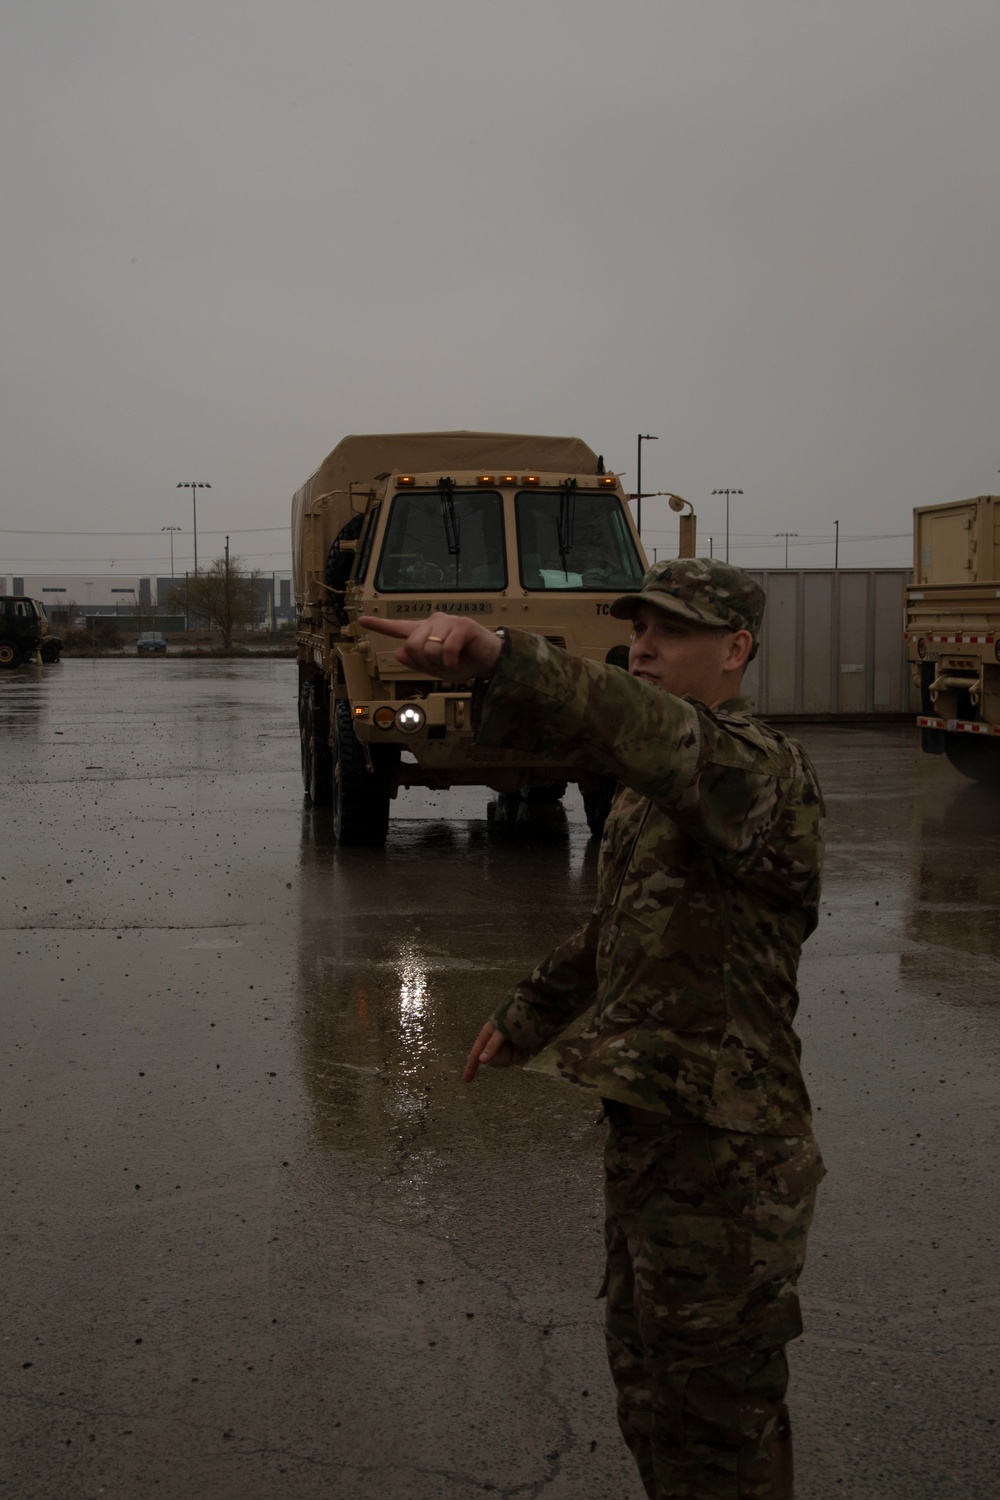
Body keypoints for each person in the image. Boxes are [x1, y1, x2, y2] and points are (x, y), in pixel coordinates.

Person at [359, 557, 825, 1500]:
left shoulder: (752, 772)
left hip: (726, 1154)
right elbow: (623, 921)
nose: (643, 645)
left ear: (736, 650)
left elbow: (631, 721)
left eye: (672, 631)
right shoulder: (660, 793)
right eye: (637, 626)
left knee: (719, 1416)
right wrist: (528, 1011)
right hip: (655, 1136)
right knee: (652, 1395)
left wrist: (497, 653)